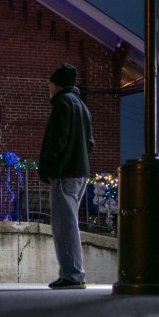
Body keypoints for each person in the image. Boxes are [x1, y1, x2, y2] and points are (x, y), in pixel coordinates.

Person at [38, 63, 94, 289]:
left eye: (50, 82)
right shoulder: (82, 105)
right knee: (70, 223)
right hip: (80, 172)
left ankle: (72, 275)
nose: (49, 87)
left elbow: (56, 141)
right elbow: (90, 143)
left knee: (65, 225)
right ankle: (71, 273)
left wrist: (48, 168)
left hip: (65, 173)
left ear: (57, 83)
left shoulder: (63, 103)